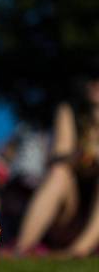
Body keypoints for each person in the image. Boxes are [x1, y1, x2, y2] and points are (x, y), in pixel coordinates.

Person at [14, 67, 99, 257]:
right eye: (92, 79)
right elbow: (61, 155)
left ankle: (79, 251)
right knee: (59, 172)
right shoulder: (70, 111)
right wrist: (85, 156)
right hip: (70, 210)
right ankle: (21, 248)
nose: (96, 84)